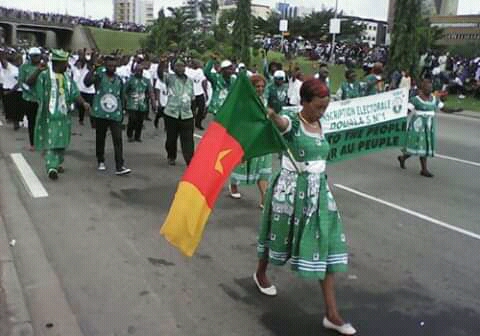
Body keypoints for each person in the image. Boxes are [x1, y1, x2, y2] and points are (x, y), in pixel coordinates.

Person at [254, 78, 356, 336]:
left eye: (325, 107)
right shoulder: (293, 121)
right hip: (291, 193)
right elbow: (283, 125)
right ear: (304, 102)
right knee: (276, 240)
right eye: (318, 107)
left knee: (325, 246)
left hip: (318, 194)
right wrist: (273, 115)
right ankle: (260, 273)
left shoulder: (322, 123)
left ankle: (332, 314)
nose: (322, 112)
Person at [33, 49, 91, 180]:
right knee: (52, 142)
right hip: (50, 116)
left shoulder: (67, 78)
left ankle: (57, 163)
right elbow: (33, 87)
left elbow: (75, 93)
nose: (66, 66)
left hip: (64, 117)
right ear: (57, 63)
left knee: (62, 142)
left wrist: (84, 103)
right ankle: (51, 167)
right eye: (64, 63)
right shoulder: (45, 76)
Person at [229, 75, 272, 206]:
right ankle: (233, 185)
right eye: (257, 86)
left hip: (262, 139)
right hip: (247, 138)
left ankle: (264, 197)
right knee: (241, 165)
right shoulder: (244, 102)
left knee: (263, 167)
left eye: (262, 86)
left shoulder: (264, 101)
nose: (260, 89)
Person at [84, 55, 131, 175]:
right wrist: (94, 67)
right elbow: (87, 82)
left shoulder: (119, 80)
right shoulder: (99, 76)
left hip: (115, 115)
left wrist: (123, 112)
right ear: (105, 66)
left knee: (118, 139)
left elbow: (121, 97)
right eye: (110, 65)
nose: (112, 68)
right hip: (100, 114)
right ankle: (100, 160)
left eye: (114, 66)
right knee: (100, 138)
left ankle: (119, 166)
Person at [398, 78, 441, 178]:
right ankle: (419, 166)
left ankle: (420, 167)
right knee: (415, 145)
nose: (430, 89)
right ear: (422, 88)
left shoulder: (434, 99)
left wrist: (455, 110)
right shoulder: (416, 99)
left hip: (429, 127)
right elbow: (407, 111)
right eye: (427, 88)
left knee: (424, 146)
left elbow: (443, 107)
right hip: (417, 127)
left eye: (431, 87)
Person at [163, 60, 195, 166]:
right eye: (177, 66)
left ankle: (190, 161)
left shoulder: (190, 81)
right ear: (174, 68)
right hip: (172, 114)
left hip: (187, 115)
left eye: (182, 66)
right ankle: (171, 156)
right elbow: (160, 74)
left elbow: (192, 97)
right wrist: (162, 63)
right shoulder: (170, 78)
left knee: (188, 140)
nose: (180, 68)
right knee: (171, 139)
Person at [19, 47, 43, 151]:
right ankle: (32, 143)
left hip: (42, 99)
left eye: (38, 55)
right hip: (29, 99)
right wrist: (38, 71)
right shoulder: (24, 67)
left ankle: (42, 141)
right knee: (32, 121)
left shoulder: (45, 67)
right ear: (30, 56)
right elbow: (25, 82)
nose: (37, 58)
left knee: (42, 121)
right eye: (34, 56)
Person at [125, 63, 155, 142]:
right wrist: (126, 100)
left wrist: (153, 102)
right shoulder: (130, 80)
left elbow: (151, 91)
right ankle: (130, 135)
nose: (139, 72)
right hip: (132, 103)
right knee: (132, 120)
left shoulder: (146, 80)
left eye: (141, 71)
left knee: (140, 121)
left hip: (142, 104)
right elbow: (124, 91)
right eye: (137, 70)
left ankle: (137, 136)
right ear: (135, 71)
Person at [186, 59, 208, 130]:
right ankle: (189, 125)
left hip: (200, 93)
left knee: (201, 109)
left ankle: (198, 123)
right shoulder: (187, 70)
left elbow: (203, 81)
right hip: (191, 93)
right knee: (192, 111)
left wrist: (206, 92)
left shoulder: (200, 71)